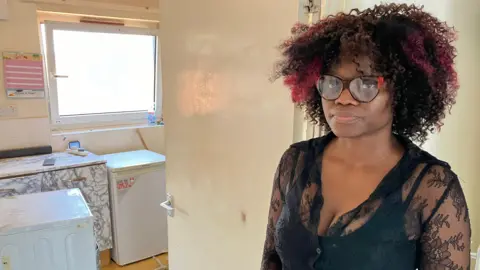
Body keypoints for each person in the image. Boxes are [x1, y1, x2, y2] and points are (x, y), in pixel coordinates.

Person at [262, 3, 471, 270]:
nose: (343, 98)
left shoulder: (432, 189)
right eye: (331, 82)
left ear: (400, 91)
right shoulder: (295, 162)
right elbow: (271, 261)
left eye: (366, 84)